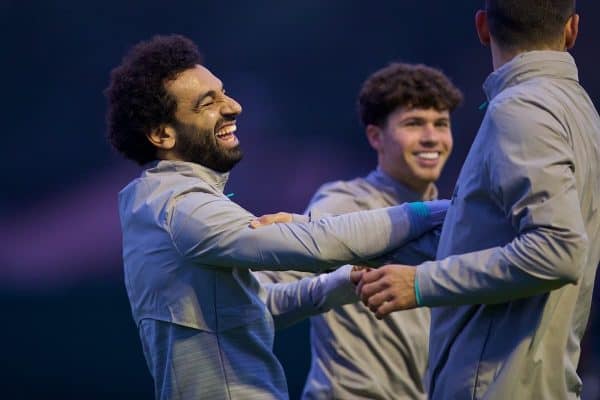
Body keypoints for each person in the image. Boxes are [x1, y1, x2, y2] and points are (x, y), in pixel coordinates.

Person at [104, 34, 447, 400]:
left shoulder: (160, 203)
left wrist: (342, 282)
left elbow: (253, 308)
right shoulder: (182, 207)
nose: (233, 106)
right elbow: (318, 245)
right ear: (161, 133)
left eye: (223, 92)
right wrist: (444, 210)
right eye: (209, 102)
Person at [358, 1, 600, 398]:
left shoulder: (521, 108)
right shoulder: (579, 109)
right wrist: (308, 227)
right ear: (572, 29)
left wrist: (421, 283)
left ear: (483, 26)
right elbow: (482, 233)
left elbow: (558, 250)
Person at [256, 63, 462, 399]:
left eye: (441, 124)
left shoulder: (452, 218)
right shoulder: (345, 203)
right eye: (413, 123)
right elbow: (262, 298)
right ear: (375, 136)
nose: (431, 137)